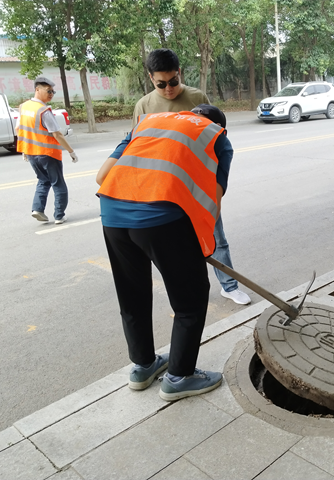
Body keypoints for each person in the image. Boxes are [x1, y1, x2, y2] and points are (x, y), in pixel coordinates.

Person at [96, 105, 231, 401]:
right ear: (220, 126)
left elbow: (101, 176)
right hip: (162, 219)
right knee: (191, 299)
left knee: (132, 294)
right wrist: (202, 245)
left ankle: (143, 366)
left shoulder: (149, 122)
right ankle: (179, 376)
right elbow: (212, 200)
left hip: (112, 214)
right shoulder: (216, 135)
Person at [133, 48, 251, 305]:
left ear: (179, 74)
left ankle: (229, 286)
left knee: (215, 235)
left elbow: (215, 137)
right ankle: (187, 290)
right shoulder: (144, 105)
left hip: (199, 181)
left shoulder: (197, 97)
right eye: (161, 84)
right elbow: (140, 144)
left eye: (173, 81)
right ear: (151, 78)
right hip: (166, 186)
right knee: (175, 243)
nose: (168, 89)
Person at [17, 76, 78, 224]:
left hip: (31, 152)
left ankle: (37, 209)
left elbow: (19, 128)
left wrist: (25, 150)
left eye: (53, 91)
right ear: (37, 89)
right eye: (48, 90)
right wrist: (71, 151)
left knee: (43, 181)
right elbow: (56, 134)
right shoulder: (43, 111)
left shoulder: (24, 107)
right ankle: (59, 215)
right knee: (58, 184)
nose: (51, 94)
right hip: (47, 154)